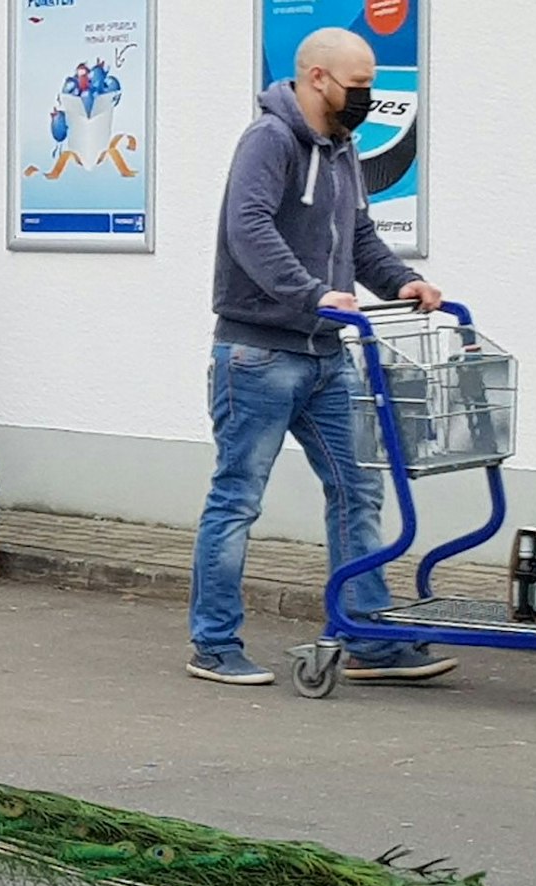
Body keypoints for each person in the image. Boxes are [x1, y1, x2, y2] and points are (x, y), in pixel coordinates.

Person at [186, 27, 456, 687]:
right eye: (358, 85)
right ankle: (214, 644)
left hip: (326, 355)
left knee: (357, 487)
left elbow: (358, 236)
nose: (367, 97)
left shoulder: (341, 148)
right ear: (316, 78)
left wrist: (400, 283)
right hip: (257, 353)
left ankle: (365, 636)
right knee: (239, 497)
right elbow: (247, 228)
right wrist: (312, 294)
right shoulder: (269, 141)